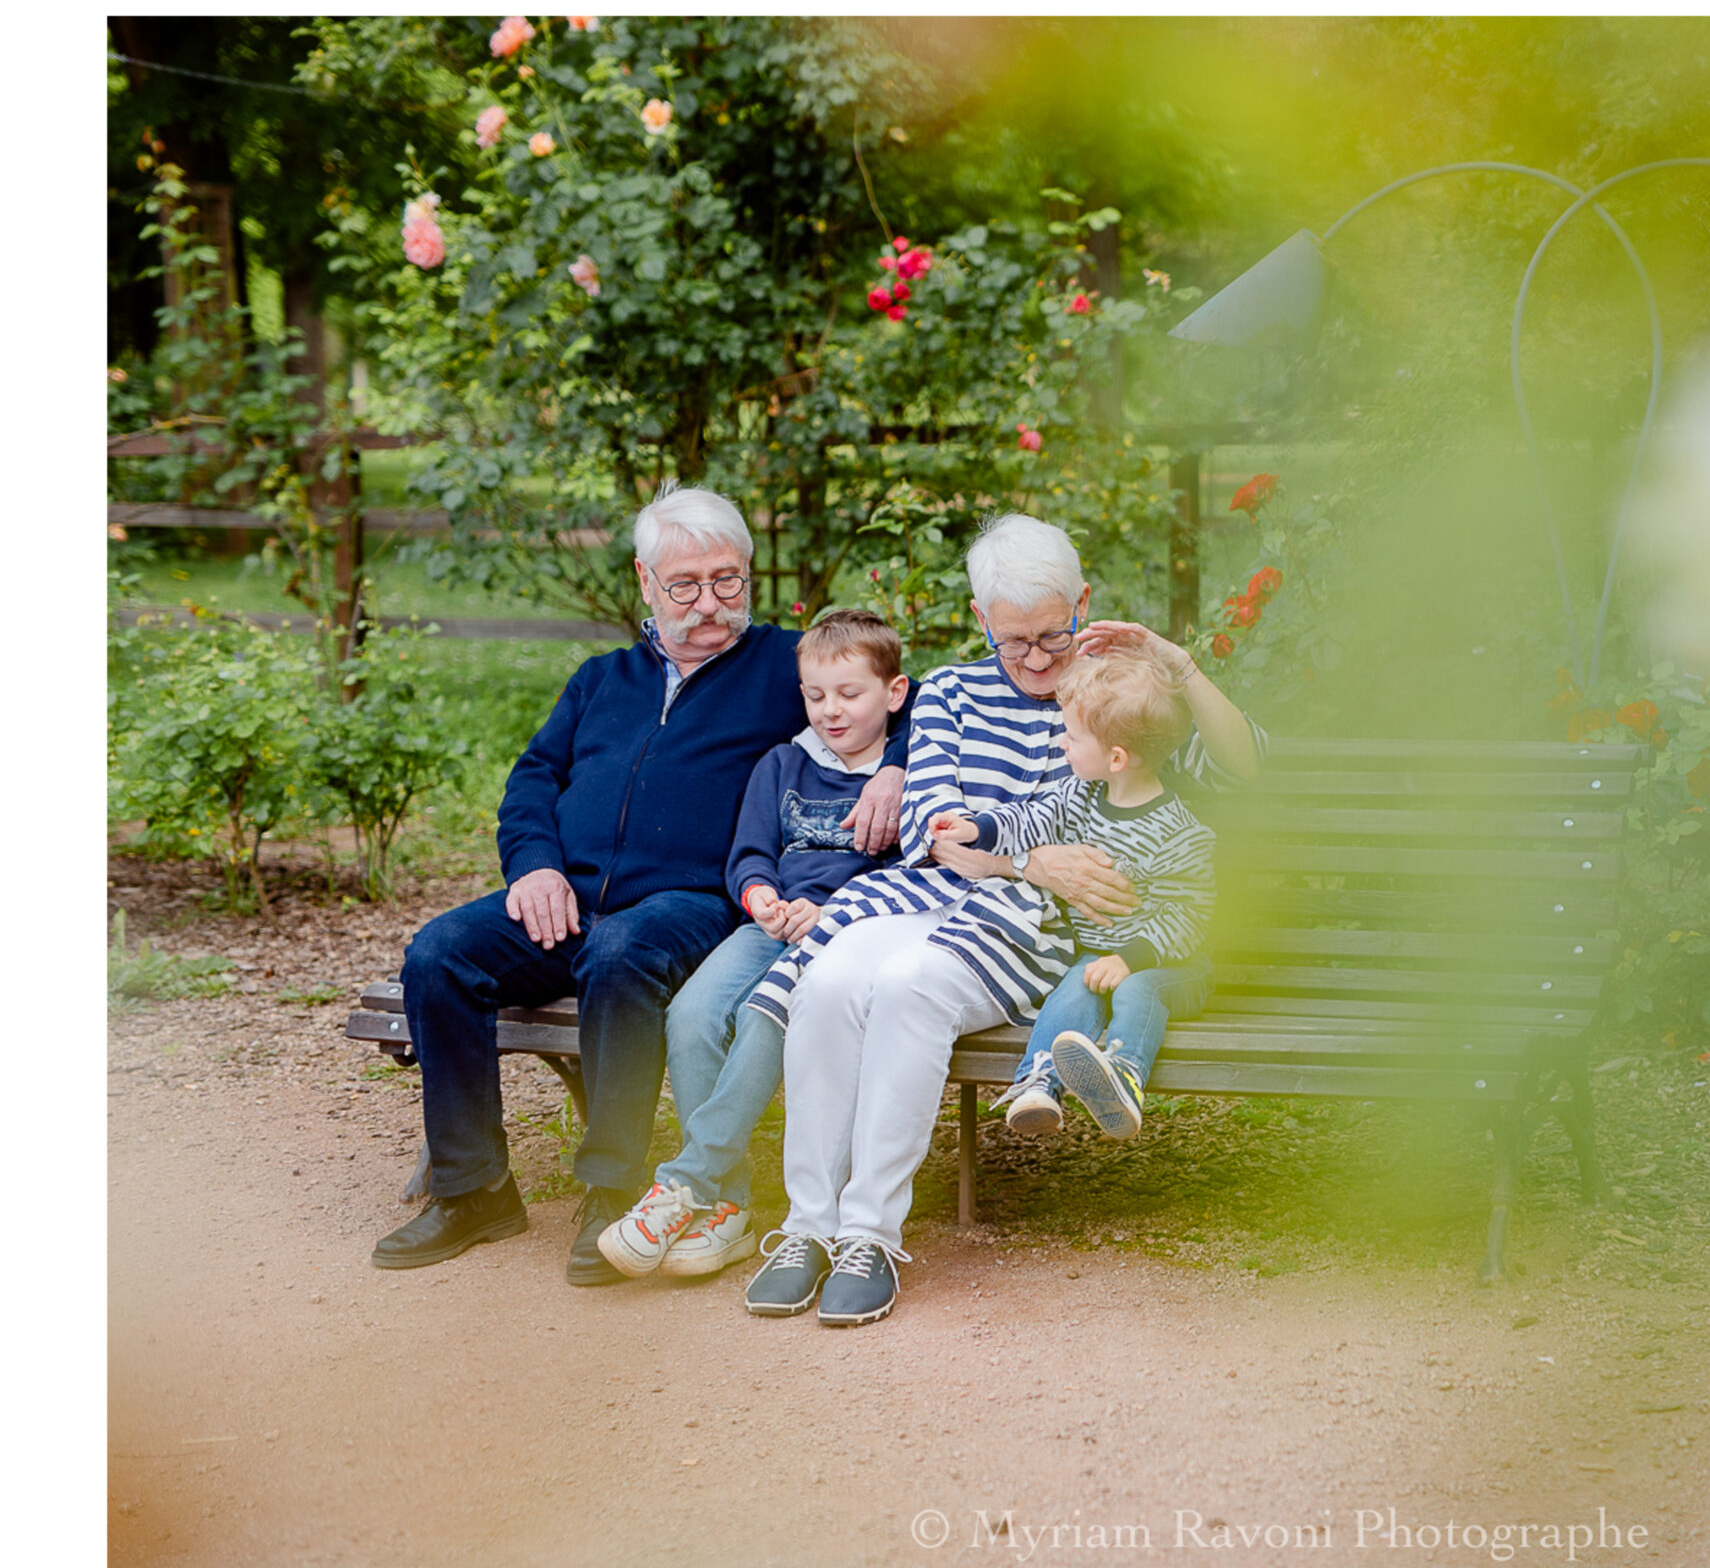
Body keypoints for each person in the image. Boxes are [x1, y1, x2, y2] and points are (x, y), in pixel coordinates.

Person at [736, 513, 1263, 1327]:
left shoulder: (1119, 693)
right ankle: (807, 1226)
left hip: (1033, 931)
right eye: (1015, 641)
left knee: (911, 988)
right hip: (934, 897)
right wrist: (1031, 857)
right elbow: (934, 831)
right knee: (831, 975)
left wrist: (1181, 668)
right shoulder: (950, 691)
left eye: (1055, 633)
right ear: (982, 620)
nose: (1040, 660)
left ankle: (870, 1233)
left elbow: (1245, 768)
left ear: (1083, 602)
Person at [368, 487, 907, 1281]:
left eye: (728, 580)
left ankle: (613, 1191)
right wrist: (536, 865)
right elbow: (532, 779)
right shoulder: (602, 678)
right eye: (685, 584)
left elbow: (906, 699)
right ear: (645, 582)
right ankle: (472, 1189)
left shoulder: (780, 667)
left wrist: (893, 771)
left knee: (621, 955)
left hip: (693, 900)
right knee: (440, 953)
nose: (710, 602)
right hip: (569, 893)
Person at [594, 609, 910, 1280]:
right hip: (767, 925)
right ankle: (729, 1208)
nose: (831, 711)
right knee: (693, 1013)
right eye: (816, 694)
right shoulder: (783, 762)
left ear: (894, 692)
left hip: (846, 937)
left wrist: (826, 909)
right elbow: (749, 852)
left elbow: (906, 874)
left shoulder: (905, 776)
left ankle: (687, 1183)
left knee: (765, 1022)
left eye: (849, 694)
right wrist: (759, 893)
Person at [931, 647, 1216, 1141]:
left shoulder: (1180, 835)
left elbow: (1188, 916)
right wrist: (977, 827)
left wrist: (1131, 958)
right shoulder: (1079, 797)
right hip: (1098, 954)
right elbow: (1029, 818)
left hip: (1173, 966)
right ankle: (1039, 1082)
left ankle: (1124, 1075)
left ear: (1117, 757)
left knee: (1135, 988)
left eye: (1073, 735)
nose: (1062, 743)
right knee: (1076, 986)